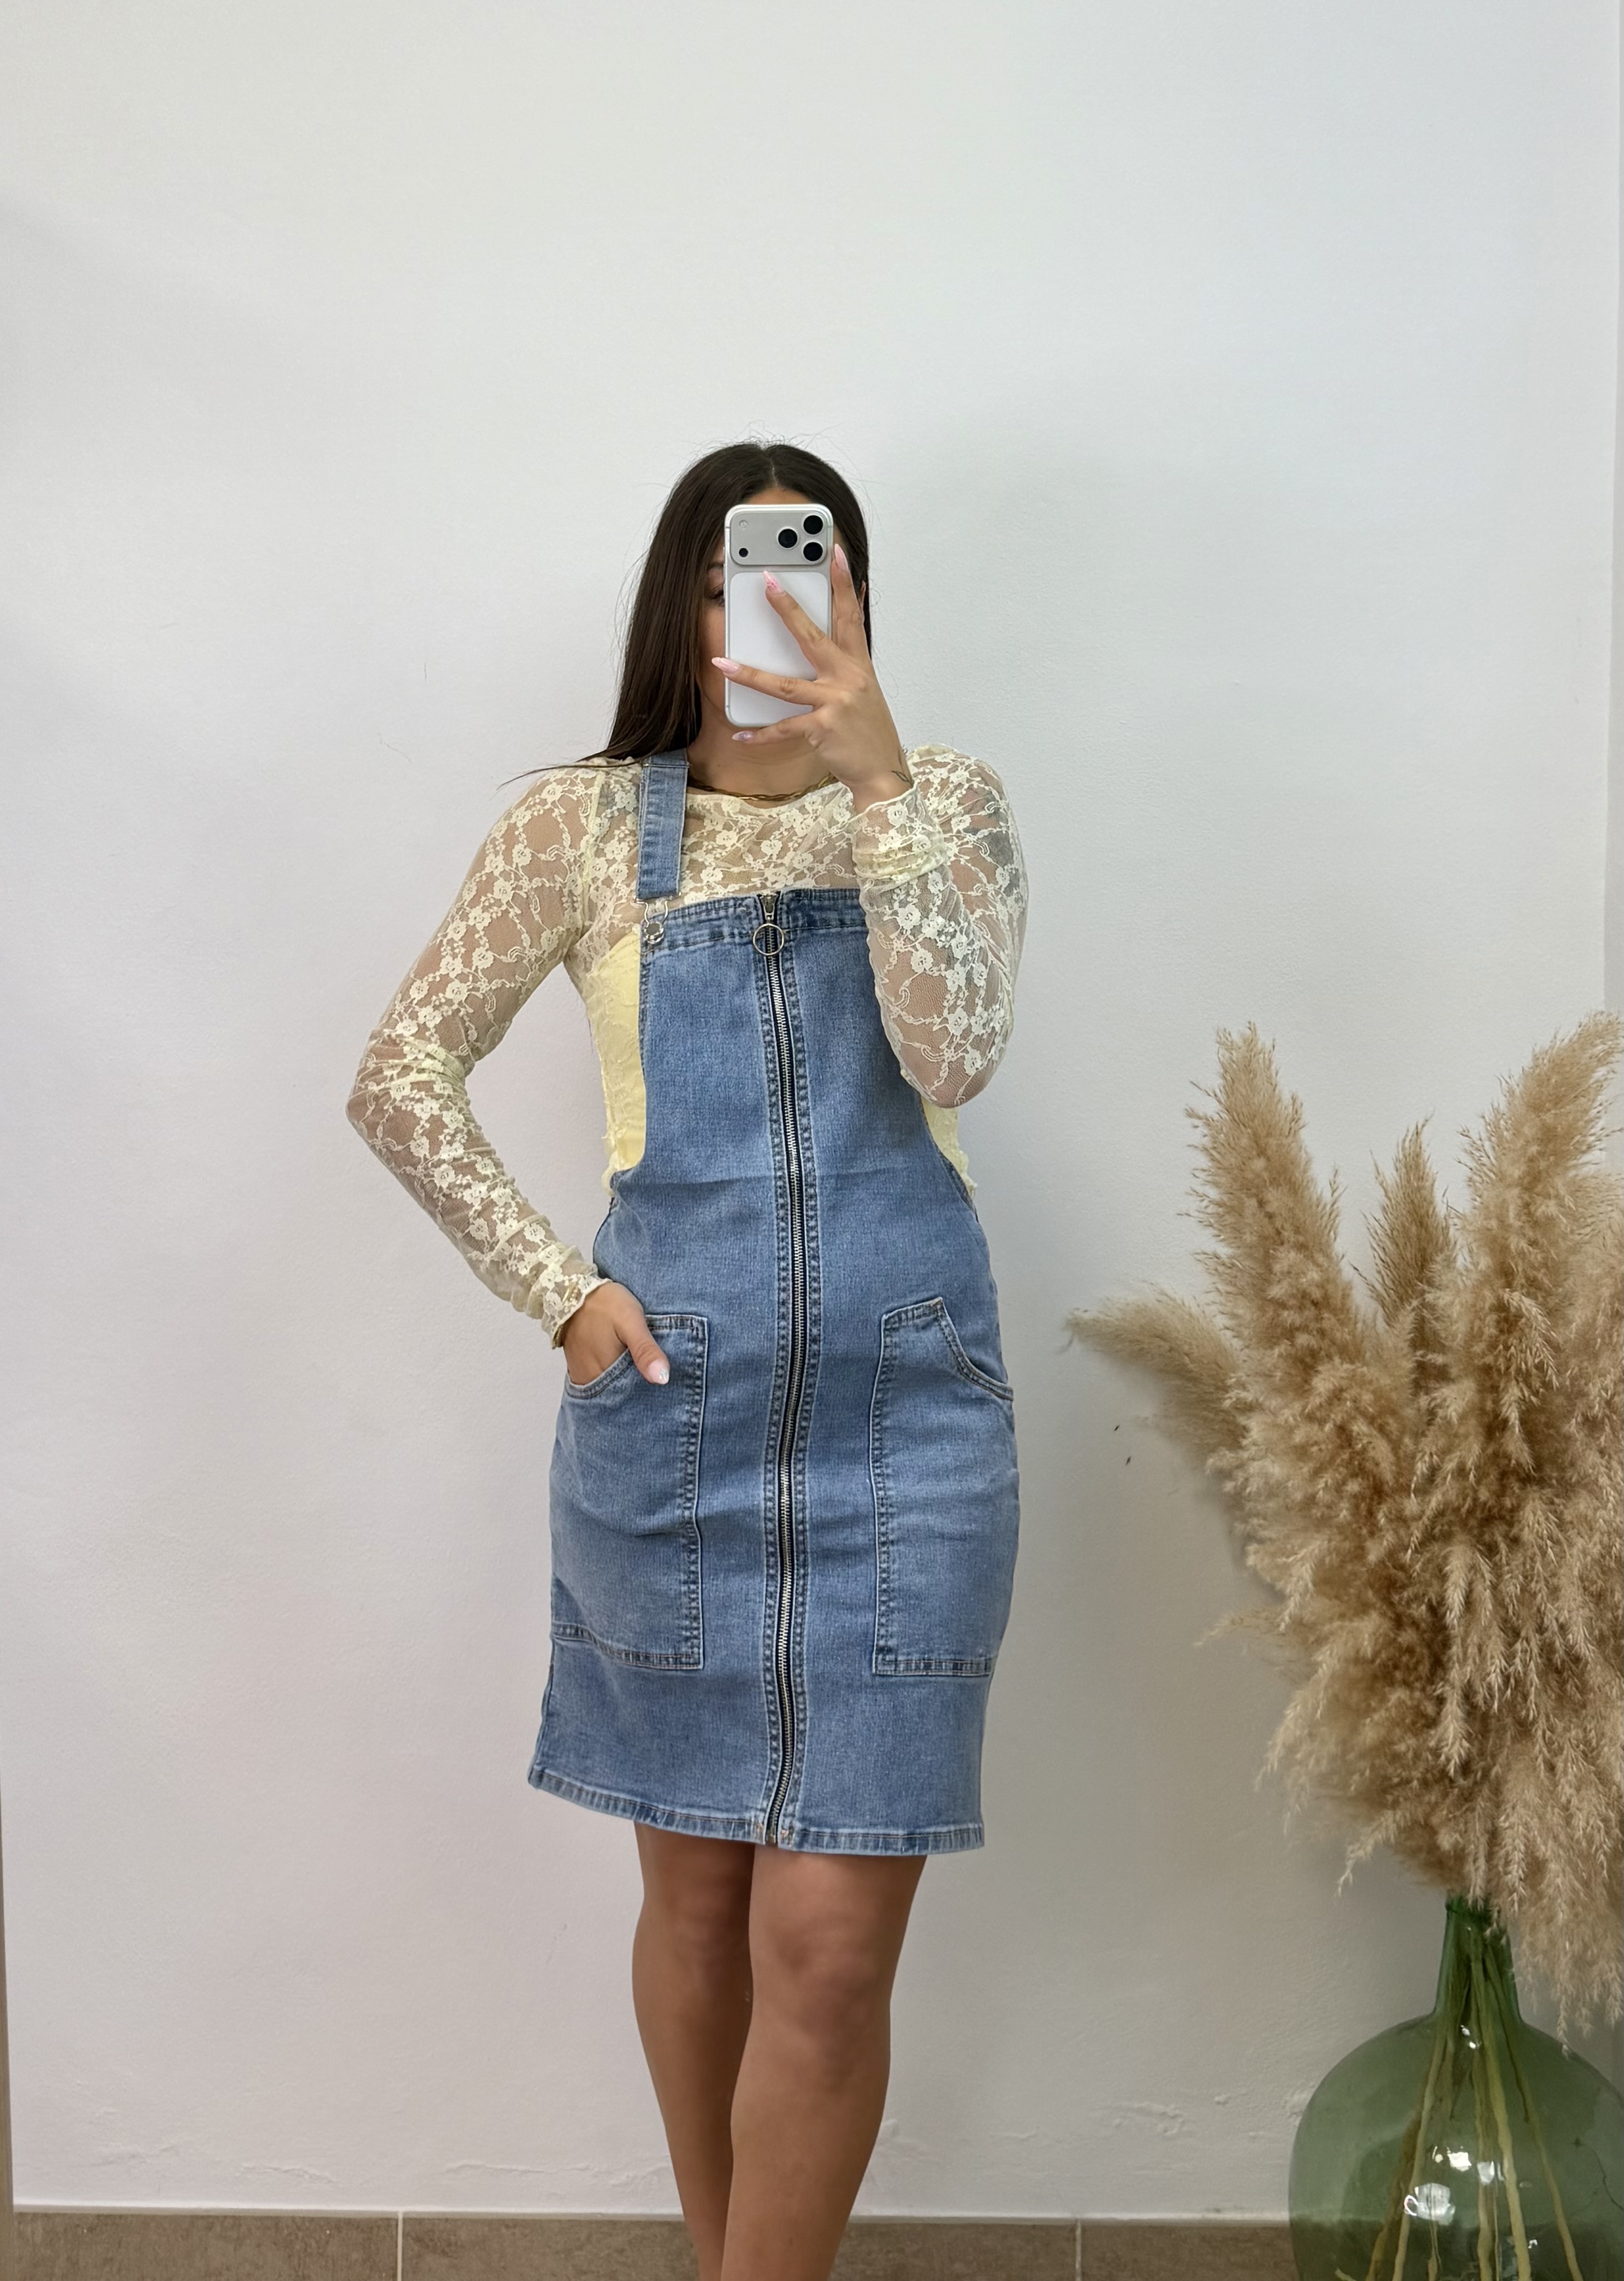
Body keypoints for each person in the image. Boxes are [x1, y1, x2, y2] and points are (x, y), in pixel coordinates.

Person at [346, 440, 1029, 2281]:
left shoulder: (945, 801)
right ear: (686, 596)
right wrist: (560, 1291)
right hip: (672, 1422)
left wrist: (877, 778)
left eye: (812, 572)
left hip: (913, 1426)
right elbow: (400, 1075)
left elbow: (956, 1052)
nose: (774, 607)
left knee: (833, 1944)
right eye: (740, 573)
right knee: (705, 1902)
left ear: (856, 598)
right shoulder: (581, 829)